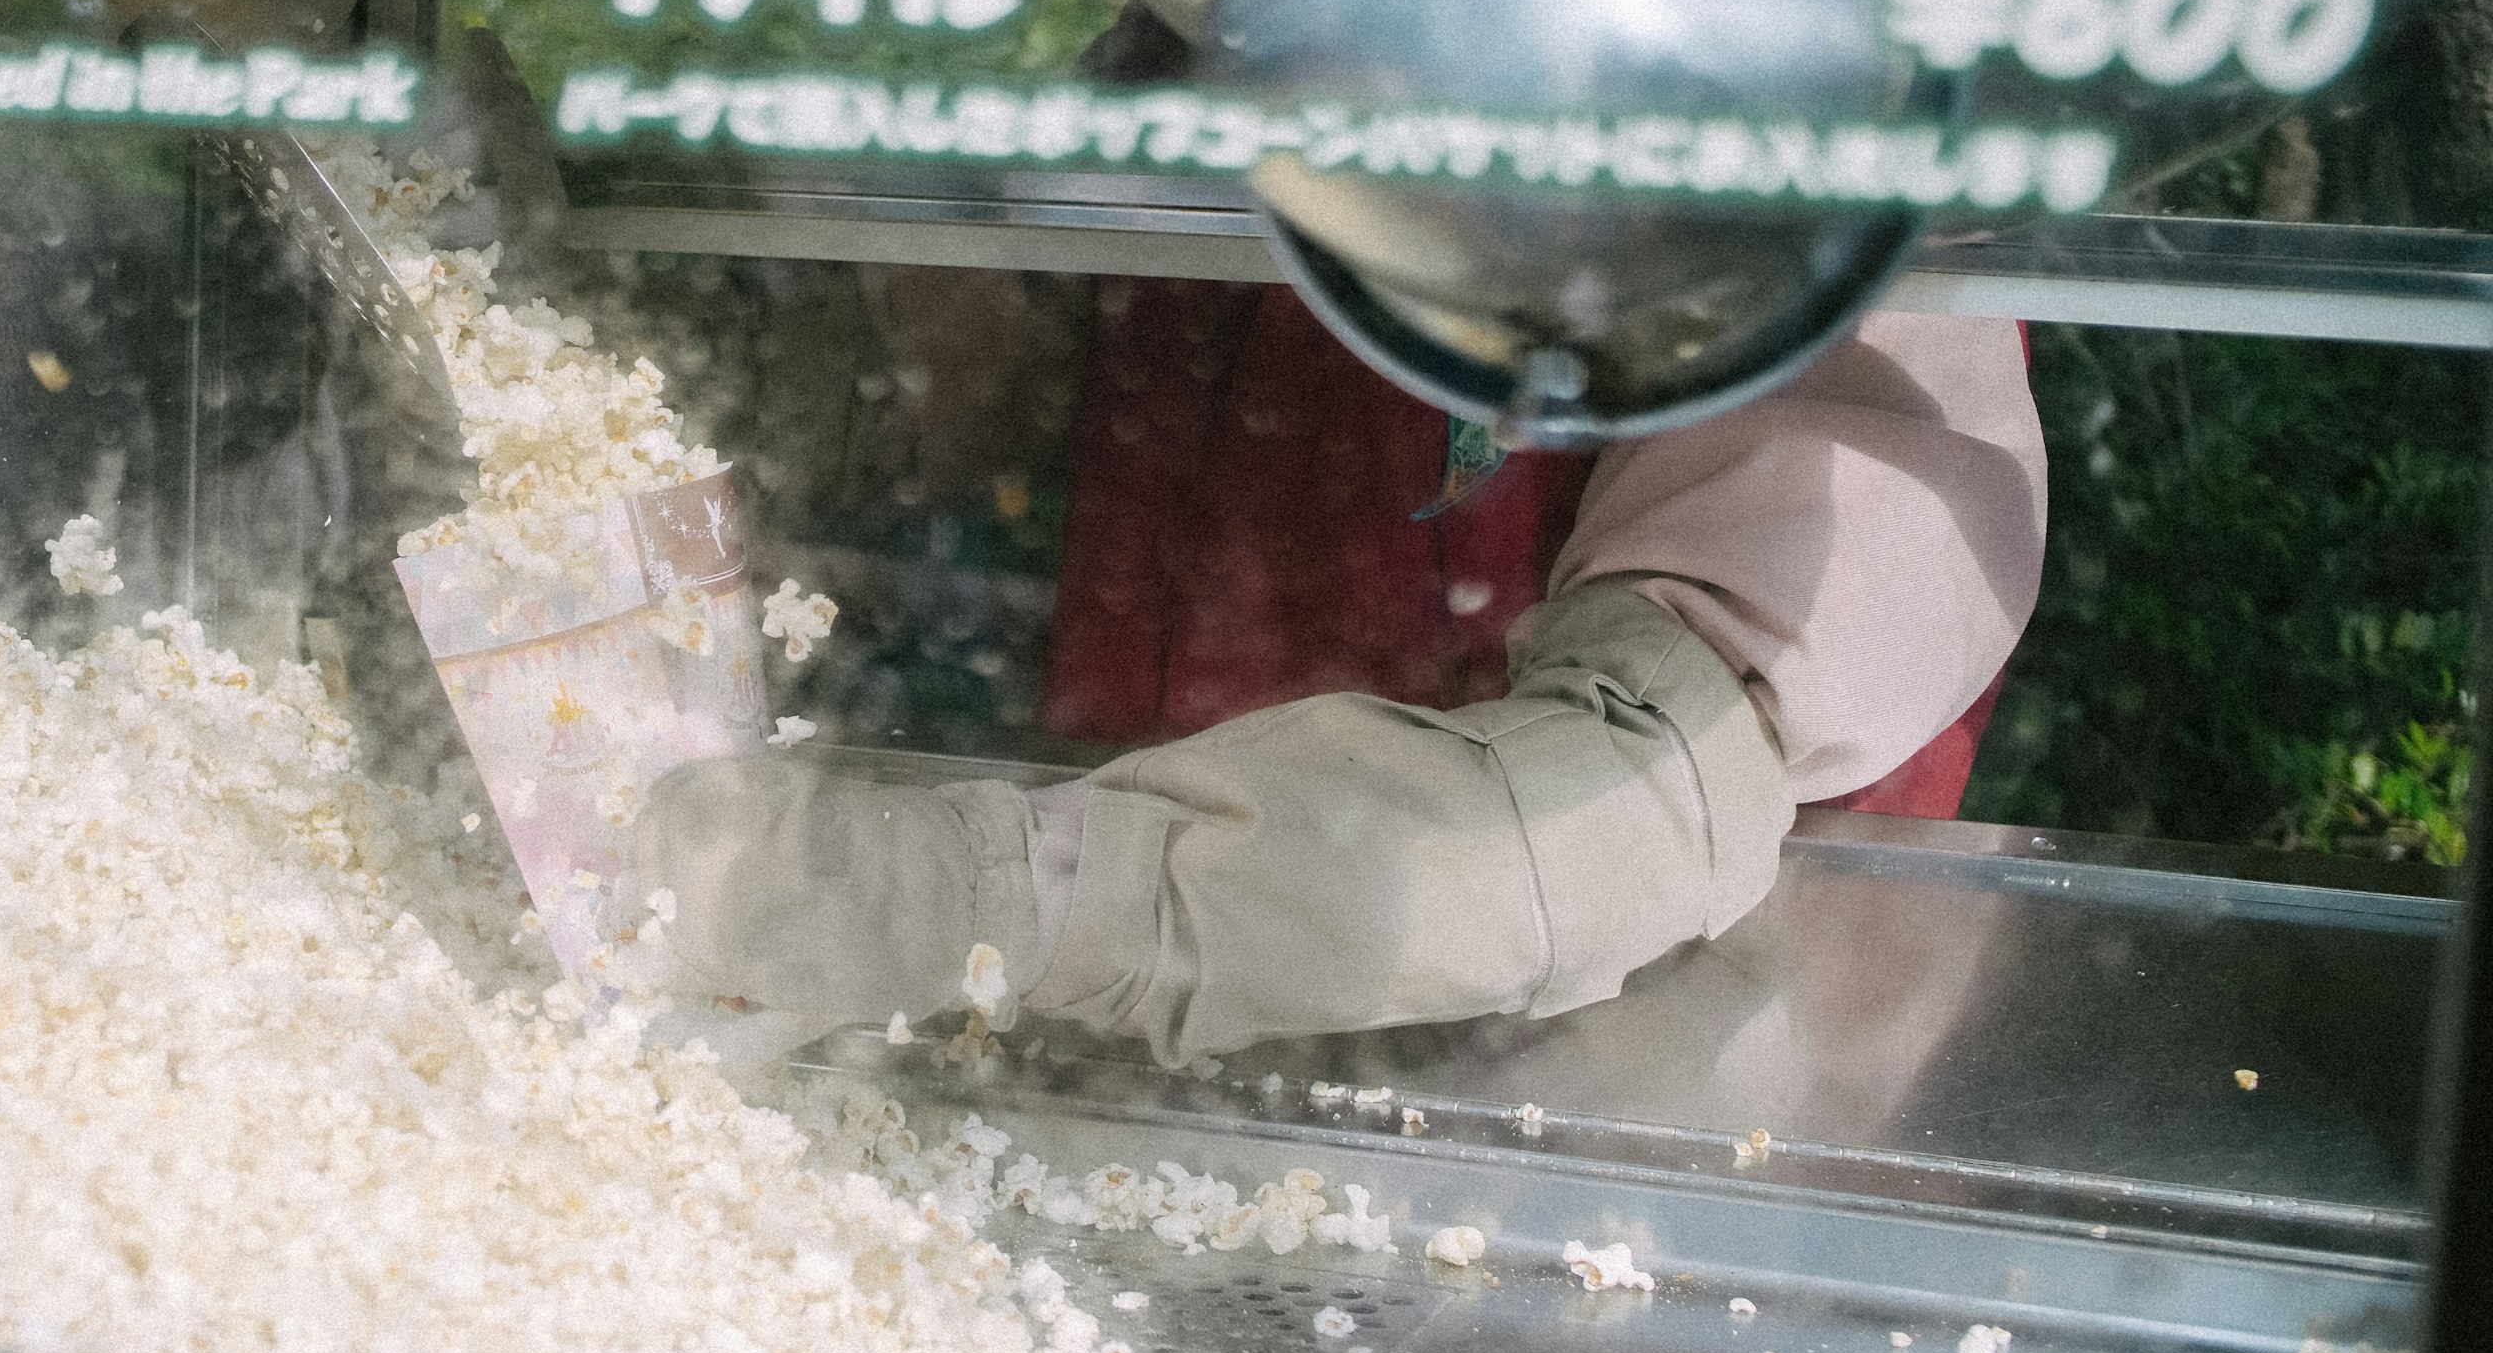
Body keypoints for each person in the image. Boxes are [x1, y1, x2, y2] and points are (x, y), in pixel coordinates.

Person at [628, 273, 2048, 1067]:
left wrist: (995, 898)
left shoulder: (1831, 182)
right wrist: (692, 337)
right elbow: (1017, 352)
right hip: (1138, 1044)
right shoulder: (1257, 36)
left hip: (1617, 1122)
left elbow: (1616, 811)